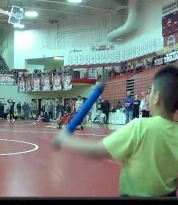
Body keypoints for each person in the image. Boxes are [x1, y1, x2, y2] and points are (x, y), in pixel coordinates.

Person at [54, 65, 178, 197]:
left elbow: (97, 150)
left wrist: (65, 140)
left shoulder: (140, 127)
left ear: (157, 97)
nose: (147, 96)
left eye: (150, 91)